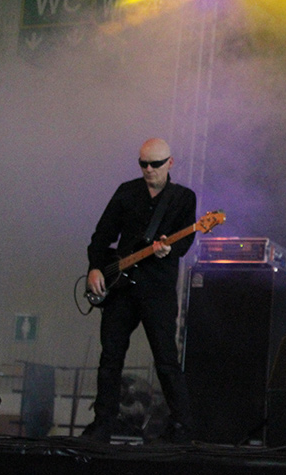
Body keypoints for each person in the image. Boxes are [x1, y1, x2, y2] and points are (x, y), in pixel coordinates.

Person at [81, 138, 196, 444]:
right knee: (110, 358)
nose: (148, 170)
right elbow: (102, 235)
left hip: (157, 290)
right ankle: (102, 424)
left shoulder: (183, 198)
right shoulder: (127, 192)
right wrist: (95, 267)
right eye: (143, 164)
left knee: (166, 359)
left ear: (170, 163)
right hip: (120, 288)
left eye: (155, 164)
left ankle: (182, 427)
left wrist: (168, 250)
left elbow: (184, 241)